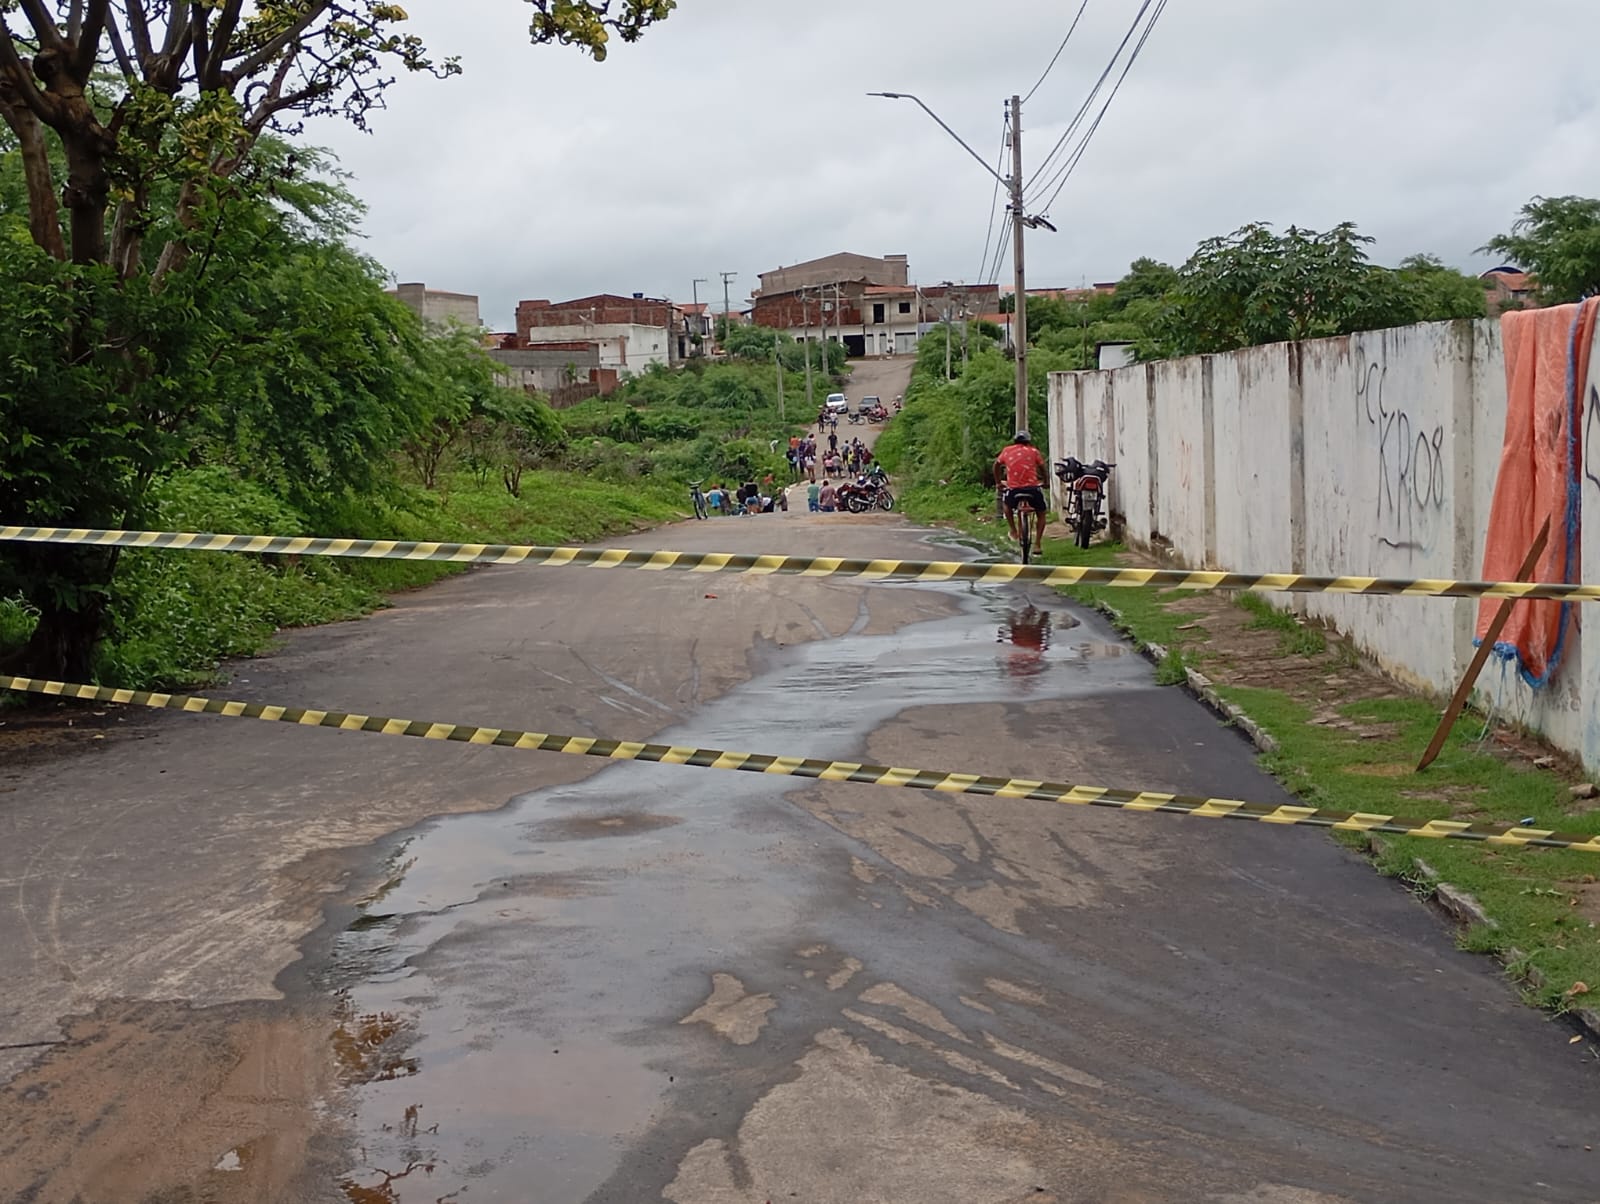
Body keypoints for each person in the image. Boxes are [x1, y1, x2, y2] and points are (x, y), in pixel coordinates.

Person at [995, 430, 1048, 546]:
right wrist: (1046, 482)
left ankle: (1014, 530)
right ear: (1028, 442)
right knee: (1041, 512)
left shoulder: (1007, 450)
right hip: (1033, 489)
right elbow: (1043, 468)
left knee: (1007, 506)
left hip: (1014, 490)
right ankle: (1038, 544)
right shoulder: (1034, 451)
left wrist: (998, 482)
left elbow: (996, 465)